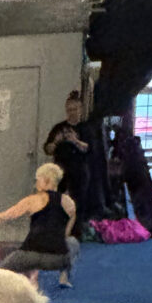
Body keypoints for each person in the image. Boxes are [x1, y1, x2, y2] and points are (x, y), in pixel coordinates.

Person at [0, 163, 78, 288]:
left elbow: (2, 218)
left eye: (37, 180)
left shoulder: (32, 200)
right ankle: (63, 277)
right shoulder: (69, 203)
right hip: (57, 260)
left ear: (46, 180)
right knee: (72, 243)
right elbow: (64, 234)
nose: (36, 184)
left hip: (29, 257)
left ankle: (28, 278)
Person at [43, 91, 91, 227]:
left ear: (80, 109)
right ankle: (58, 229)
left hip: (80, 171)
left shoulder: (85, 128)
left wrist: (75, 140)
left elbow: (88, 148)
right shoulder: (59, 128)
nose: (72, 112)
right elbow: (47, 149)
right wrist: (55, 142)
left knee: (78, 202)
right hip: (60, 171)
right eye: (69, 110)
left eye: (75, 109)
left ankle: (76, 231)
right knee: (57, 201)